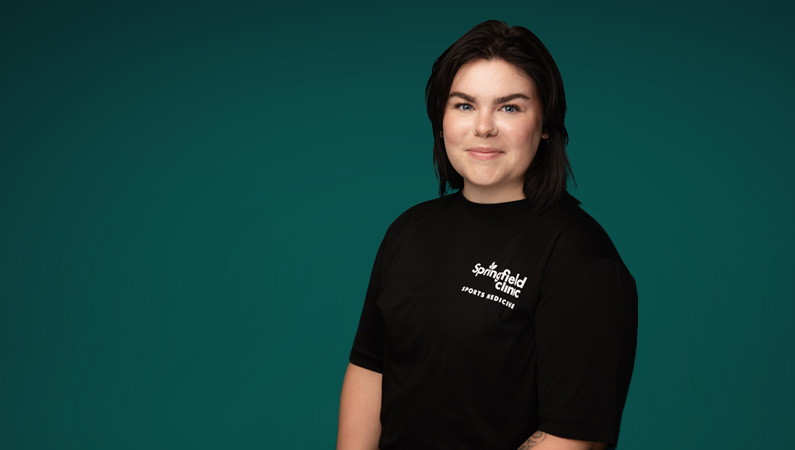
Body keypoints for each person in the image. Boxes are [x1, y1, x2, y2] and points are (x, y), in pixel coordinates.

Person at [337, 20, 637, 450]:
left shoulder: (579, 255)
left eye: (509, 107)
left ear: (547, 123)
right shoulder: (408, 230)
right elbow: (371, 366)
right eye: (463, 106)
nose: (483, 128)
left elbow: (571, 437)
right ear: (440, 120)